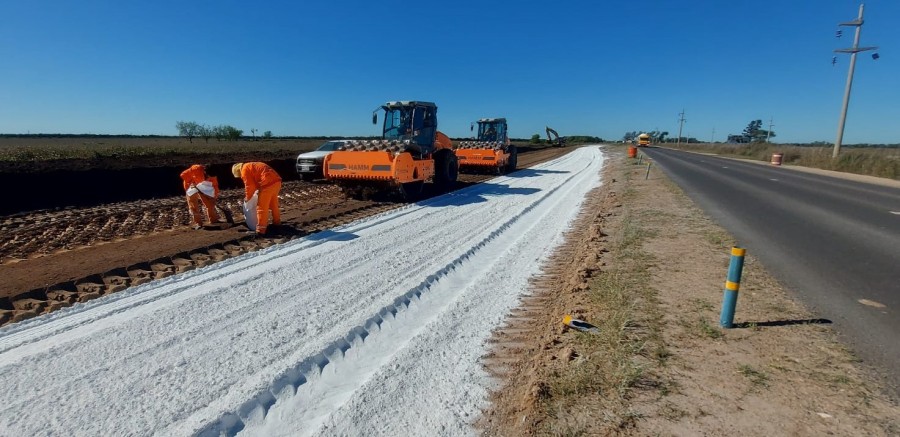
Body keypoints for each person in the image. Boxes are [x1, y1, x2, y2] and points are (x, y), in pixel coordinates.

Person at [232, 162, 282, 235]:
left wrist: (248, 197)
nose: (240, 177)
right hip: (276, 181)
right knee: (273, 204)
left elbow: (249, 186)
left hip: (267, 184)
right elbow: (256, 181)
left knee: (261, 207)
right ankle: (277, 222)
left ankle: (261, 230)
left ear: (238, 171)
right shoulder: (250, 165)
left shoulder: (244, 170)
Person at [180, 164, 219, 230]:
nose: (209, 177)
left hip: (202, 186)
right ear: (204, 171)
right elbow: (182, 175)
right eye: (208, 175)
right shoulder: (196, 168)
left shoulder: (213, 176)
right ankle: (198, 223)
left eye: (211, 176)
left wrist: (213, 197)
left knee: (210, 204)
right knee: (193, 206)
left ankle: (213, 220)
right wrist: (191, 182)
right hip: (191, 186)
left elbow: (214, 187)